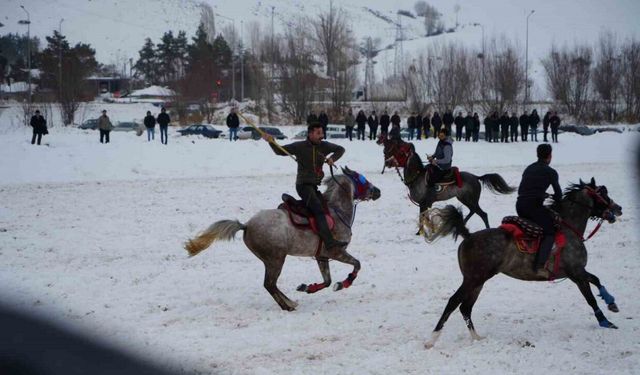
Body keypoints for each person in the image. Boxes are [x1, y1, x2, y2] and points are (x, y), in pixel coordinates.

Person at [262, 123, 347, 252]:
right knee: (318, 209)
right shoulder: (299, 146)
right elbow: (279, 151)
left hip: (314, 186)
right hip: (303, 186)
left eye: (322, 133)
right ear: (310, 134)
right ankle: (329, 243)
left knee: (325, 206)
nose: (321, 136)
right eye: (318, 133)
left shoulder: (324, 146)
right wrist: (271, 141)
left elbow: (341, 149)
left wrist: (332, 158)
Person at [516, 144, 562, 275]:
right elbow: (559, 195)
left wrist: (541, 194)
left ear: (537, 154)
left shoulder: (528, 168)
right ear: (549, 156)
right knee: (550, 232)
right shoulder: (551, 172)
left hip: (520, 205)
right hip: (534, 206)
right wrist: (548, 196)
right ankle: (540, 266)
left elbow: (524, 189)